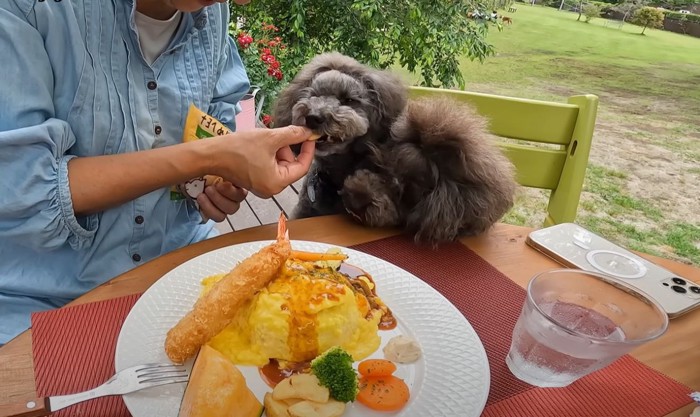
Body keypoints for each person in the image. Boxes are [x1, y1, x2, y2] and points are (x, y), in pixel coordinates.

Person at [0, 0, 315, 344]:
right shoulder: (28, 9)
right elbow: (23, 191)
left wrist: (218, 179)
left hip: (181, 268)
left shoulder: (213, 12)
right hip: (47, 301)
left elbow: (218, 112)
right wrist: (209, 156)